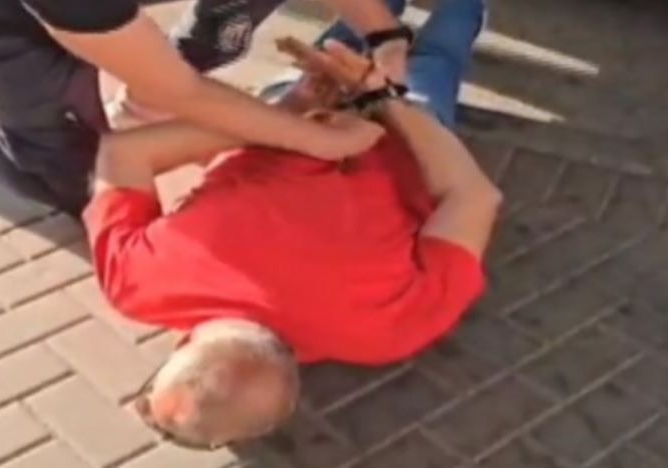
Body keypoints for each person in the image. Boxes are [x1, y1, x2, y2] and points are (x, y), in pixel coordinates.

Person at [86, 0, 498, 449]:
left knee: (441, 51)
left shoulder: (388, 332)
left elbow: (474, 198)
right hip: (330, 111)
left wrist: (373, 100)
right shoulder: (135, 283)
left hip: (396, 128)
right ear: (181, 349)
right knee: (363, 29)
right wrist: (290, 117)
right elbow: (122, 153)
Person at [0, 0, 410, 215]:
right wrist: (310, 131)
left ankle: (165, 55)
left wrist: (384, 35)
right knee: (79, 185)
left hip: (85, 19)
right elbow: (178, 91)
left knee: (170, 67)